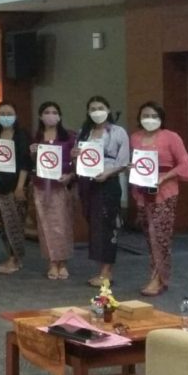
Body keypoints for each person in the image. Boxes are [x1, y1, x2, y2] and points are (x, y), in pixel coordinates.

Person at [130, 101, 188, 296]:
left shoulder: (171, 137)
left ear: (161, 118)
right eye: (145, 116)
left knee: (161, 236)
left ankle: (158, 278)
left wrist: (164, 177)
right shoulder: (135, 137)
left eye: (154, 116)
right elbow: (136, 162)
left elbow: (184, 164)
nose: (149, 119)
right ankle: (157, 276)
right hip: (143, 191)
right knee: (149, 236)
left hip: (164, 191)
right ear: (139, 118)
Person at [73, 96, 131, 286]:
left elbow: (124, 162)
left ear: (108, 109)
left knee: (107, 226)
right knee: (95, 226)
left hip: (108, 183)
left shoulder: (118, 132)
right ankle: (101, 269)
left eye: (100, 108)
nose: (97, 112)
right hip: (87, 184)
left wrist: (107, 173)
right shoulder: (84, 132)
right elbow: (78, 160)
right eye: (92, 109)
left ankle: (107, 272)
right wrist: (74, 155)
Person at [30, 102, 76, 280]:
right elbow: (33, 163)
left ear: (60, 116)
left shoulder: (69, 137)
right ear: (40, 116)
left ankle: (62, 261)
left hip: (61, 186)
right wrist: (32, 153)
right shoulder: (36, 137)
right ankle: (51, 261)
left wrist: (70, 175)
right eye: (47, 112)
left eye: (54, 112)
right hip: (41, 186)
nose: (51, 115)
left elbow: (76, 162)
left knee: (62, 225)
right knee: (45, 226)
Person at [0, 101, 31, 275]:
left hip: (16, 186)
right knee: (3, 225)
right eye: (2, 114)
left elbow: (25, 163)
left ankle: (15, 259)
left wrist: (20, 187)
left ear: (15, 115)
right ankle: (11, 256)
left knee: (15, 224)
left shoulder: (21, 135)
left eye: (9, 113)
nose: (6, 117)